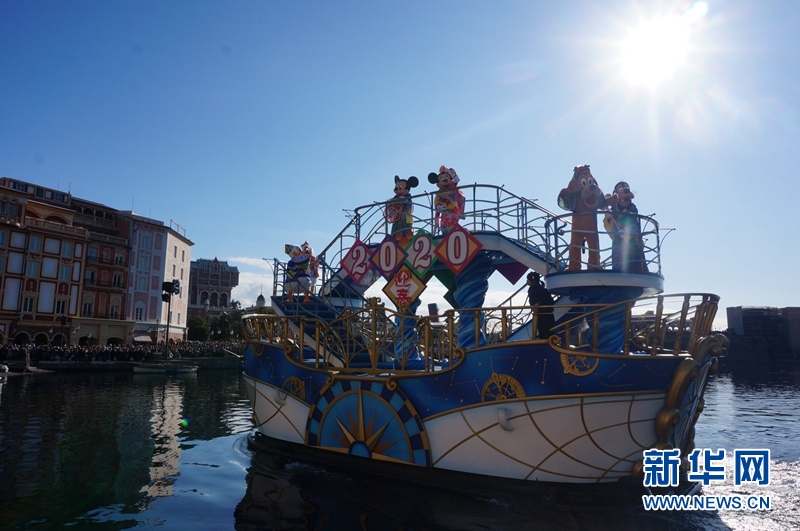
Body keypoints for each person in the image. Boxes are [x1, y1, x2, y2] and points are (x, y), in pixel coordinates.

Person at [604, 181, 648, 272]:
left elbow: (631, 219)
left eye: (626, 188)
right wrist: (608, 218)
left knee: (638, 269)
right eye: (621, 190)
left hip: (634, 244)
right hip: (618, 245)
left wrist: (627, 229)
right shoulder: (613, 210)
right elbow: (611, 231)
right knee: (619, 271)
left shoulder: (633, 208)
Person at [527, 272, 555, 339]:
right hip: (539, 315)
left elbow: (550, 301)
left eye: (528, 279)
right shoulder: (532, 289)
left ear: (533, 281)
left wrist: (539, 303)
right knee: (541, 331)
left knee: (546, 332)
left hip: (545, 316)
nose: (527, 281)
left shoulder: (541, 289)